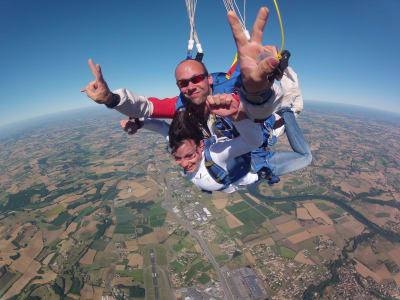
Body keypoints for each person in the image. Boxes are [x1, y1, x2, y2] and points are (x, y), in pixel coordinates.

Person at [81, 7, 302, 134]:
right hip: (226, 147)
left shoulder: (233, 84)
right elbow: (144, 106)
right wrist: (110, 99)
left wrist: (257, 89)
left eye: (196, 79)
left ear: (209, 80)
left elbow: (254, 104)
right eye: (182, 83)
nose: (189, 86)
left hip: (258, 131)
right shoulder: (180, 105)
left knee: (268, 95)